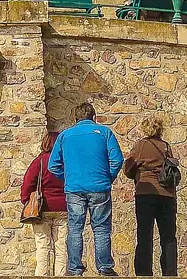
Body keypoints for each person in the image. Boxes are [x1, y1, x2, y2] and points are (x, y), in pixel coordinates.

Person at [48, 101, 123, 277]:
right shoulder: (104, 133)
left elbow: (53, 165)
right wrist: (108, 176)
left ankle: (74, 269)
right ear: (94, 117)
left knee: (75, 229)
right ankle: (104, 267)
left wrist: (67, 178)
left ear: (75, 118)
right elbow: (117, 160)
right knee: (101, 228)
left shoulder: (65, 136)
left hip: (74, 188)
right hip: (99, 187)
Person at [123, 114, 178, 276]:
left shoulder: (141, 145)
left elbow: (128, 169)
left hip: (146, 194)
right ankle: (170, 272)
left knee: (145, 235)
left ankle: (144, 272)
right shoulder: (166, 147)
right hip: (167, 194)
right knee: (168, 237)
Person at [21, 130, 68, 275]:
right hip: (64, 208)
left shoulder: (39, 161)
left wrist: (26, 200)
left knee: (42, 247)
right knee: (62, 248)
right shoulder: (66, 161)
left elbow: (28, 184)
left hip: (43, 208)